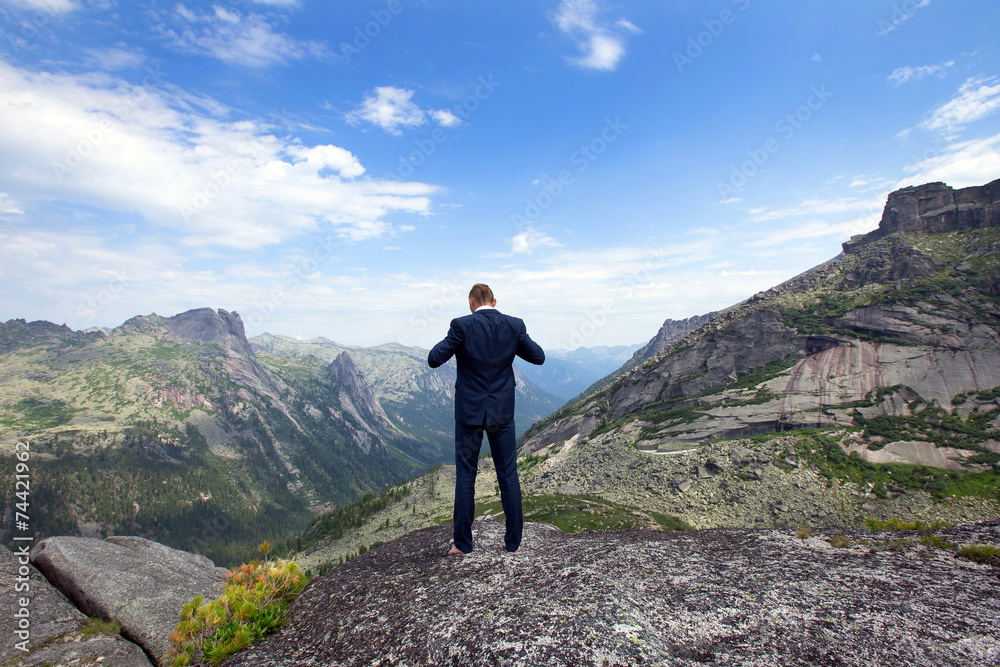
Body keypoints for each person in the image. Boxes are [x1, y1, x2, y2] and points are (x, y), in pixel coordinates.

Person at [428, 283, 545, 555]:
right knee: (508, 475)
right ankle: (513, 543)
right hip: (502, 412)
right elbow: (538, 357)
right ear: (494, 301)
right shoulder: (514, 325)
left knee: (466, 476)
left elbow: (434, 359)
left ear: (470, 302)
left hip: (469, 413)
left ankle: (463, 544)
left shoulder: (461, 326)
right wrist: (513, 343)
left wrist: (454, 342)